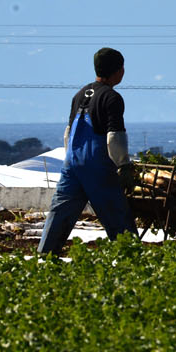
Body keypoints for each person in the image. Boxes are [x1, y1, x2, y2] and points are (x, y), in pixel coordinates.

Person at [38, 47, 138, 254]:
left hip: (72, 164)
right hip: (97, 165)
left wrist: (71, 159)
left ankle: (45, 255)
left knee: (60, 212)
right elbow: (114, 136)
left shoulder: (80, 94)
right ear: (117, 70)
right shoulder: (112, 97)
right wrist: (124, 165)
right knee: (117, 215)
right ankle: (133, 258)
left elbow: (68, 133)